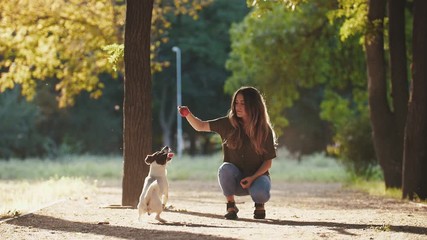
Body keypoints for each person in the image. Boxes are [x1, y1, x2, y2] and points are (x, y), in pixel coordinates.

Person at [178, 86, 277, 220]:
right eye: (236, 103)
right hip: (236, 181)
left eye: (243, 103)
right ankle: (231, 205)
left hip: (257, 179)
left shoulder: (264, 130)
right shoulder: (227, 124)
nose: (238, 106)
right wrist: (187, 114)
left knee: (261, 193)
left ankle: (259, 204)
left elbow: (268, 162)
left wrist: (252, 178)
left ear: (253, 105)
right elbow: (200, 126)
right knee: (225, 169)